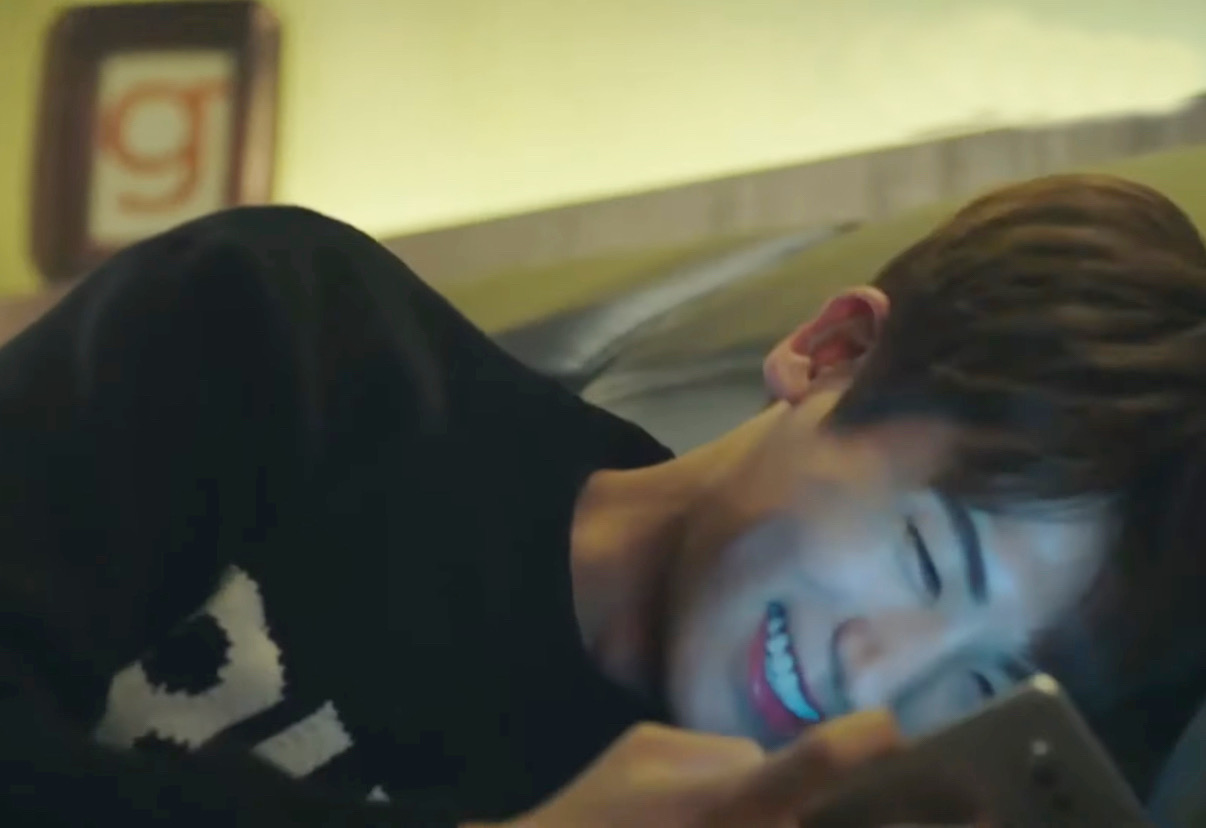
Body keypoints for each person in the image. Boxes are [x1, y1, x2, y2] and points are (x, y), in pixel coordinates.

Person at [1, 172, 1203, 826]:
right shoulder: (296, 341)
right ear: (831, 353)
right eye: (928, 558)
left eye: (983, 688)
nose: (880, 678)